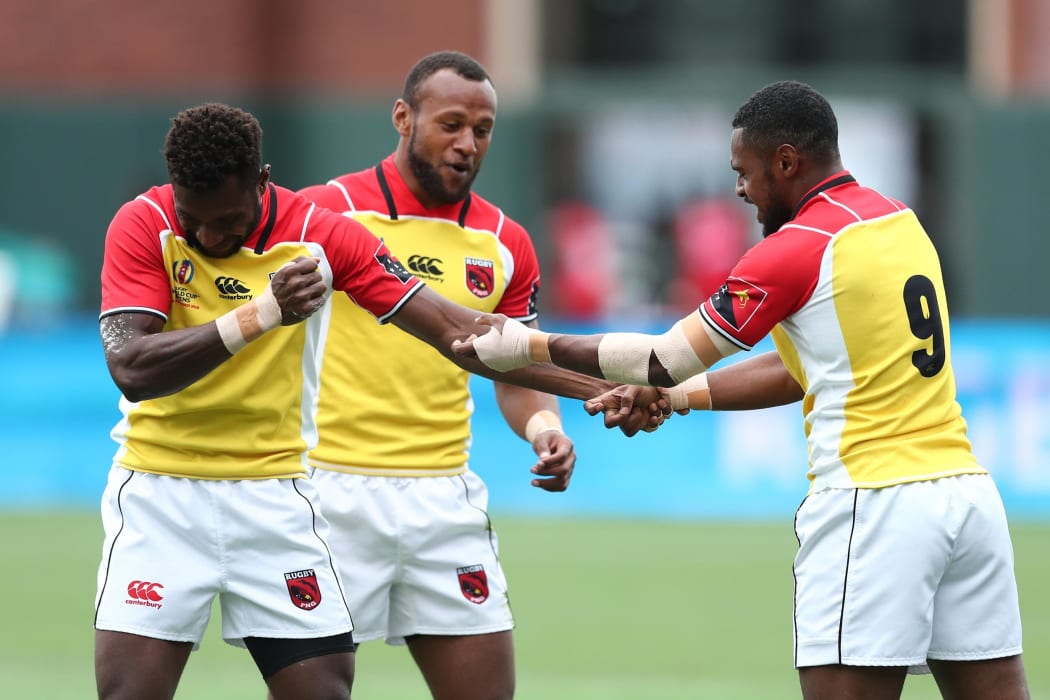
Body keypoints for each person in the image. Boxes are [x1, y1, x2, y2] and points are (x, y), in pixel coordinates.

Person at [452, 80, 1031, 699]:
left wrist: (529, 345)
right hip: (967, 501)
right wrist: (672, 400)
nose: (739, 189)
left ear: (785, 162)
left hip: (874, 502)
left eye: (745, 172)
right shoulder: (898, 221)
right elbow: (797, 371)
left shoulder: (796, 248)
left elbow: (661, 357)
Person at [95, 102, 656, 700]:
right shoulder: (144, 220)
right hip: (158, 496)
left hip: (274, 497)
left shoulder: (322, 233)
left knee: (324, 691)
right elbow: (132, 368)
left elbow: (454, 331)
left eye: (228, 221)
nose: (209, 238)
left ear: (262, 183)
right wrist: (261, 314)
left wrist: (602, 383)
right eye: (194, 219)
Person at [293, 50, 572, 700]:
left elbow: (515, 369)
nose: (468, 143)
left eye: (483, 129)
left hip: (443, 499)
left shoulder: (506, 242)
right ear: (403, 117)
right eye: (451, 124)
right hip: (329, 494)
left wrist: (543, 428)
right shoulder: (325, 213)